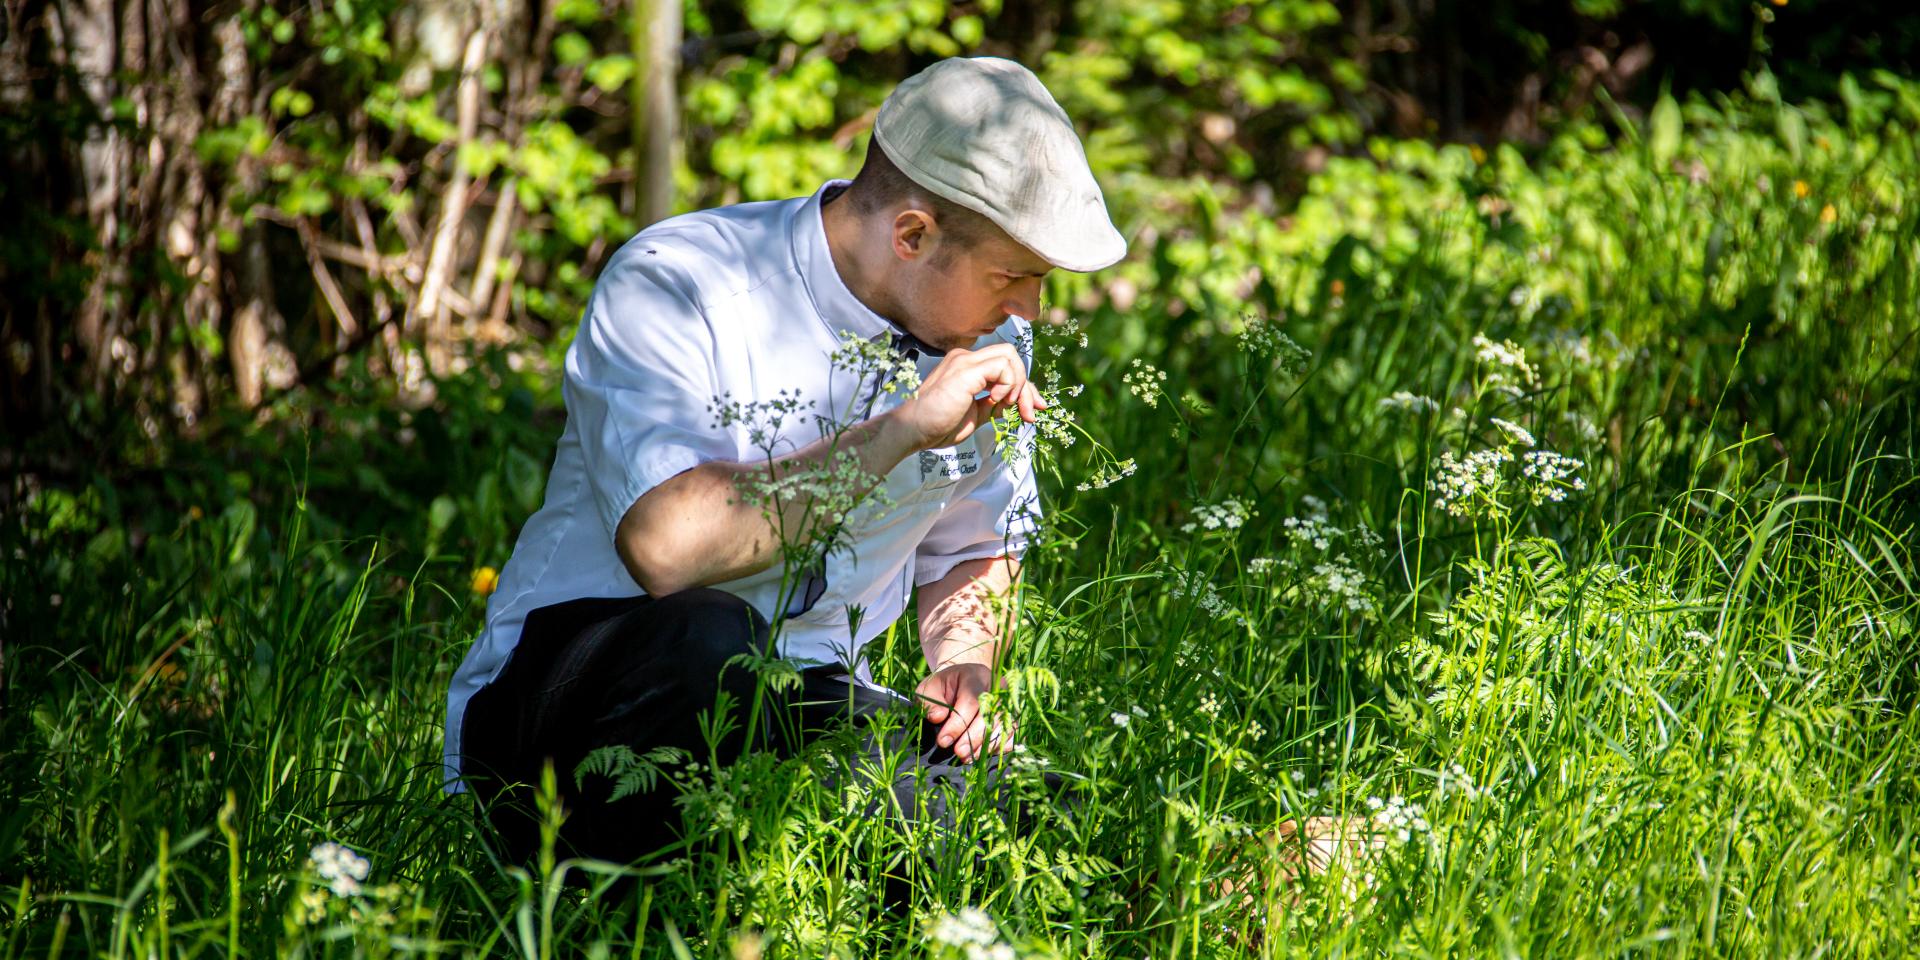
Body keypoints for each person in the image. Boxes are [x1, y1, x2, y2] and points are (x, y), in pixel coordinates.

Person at [441, 55, 1128, 871]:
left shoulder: (985, 339)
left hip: (806, 705)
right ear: (912, 234)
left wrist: (963, 663)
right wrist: (899, 431)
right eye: (1012, 277)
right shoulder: (683, 281)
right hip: (571, 700)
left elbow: (976, 545)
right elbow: (667, 549)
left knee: (1030, 826)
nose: (1028, 312)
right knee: (712, 637)